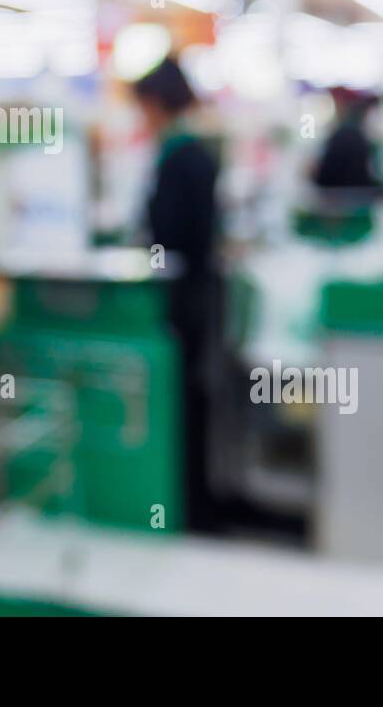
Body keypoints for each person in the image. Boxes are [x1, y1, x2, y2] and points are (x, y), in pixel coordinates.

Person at [132, 56, 223, 533]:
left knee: (180, 407)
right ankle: (193, 505)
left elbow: (168, 236)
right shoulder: (196, 153)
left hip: (179, 305)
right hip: (195, 299)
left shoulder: (179, 157)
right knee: (189, 404)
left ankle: (186, 508)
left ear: (155, 103)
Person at [312, 89, 379, 193]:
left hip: (341, 197)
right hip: (357, 194)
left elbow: (327, 174)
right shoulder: (357, 133)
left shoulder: (344, 134)